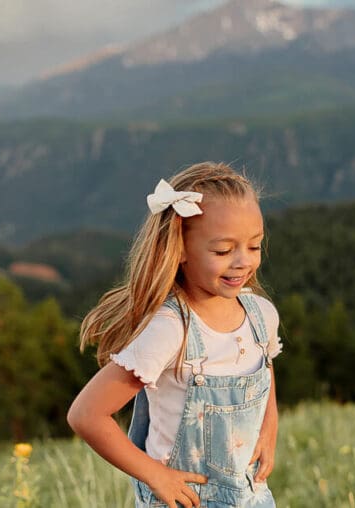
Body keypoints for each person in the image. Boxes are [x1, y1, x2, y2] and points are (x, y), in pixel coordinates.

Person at [68, 162, 282, 508]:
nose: (243, 262)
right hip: (182, 501)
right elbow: (86, 415)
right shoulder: (171, 330)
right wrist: (154, 475)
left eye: (254, 246)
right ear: (180, 249)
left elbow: (264, 367)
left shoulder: (260, 315)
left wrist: (269, 426)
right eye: (224, 251)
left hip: (251, 497)